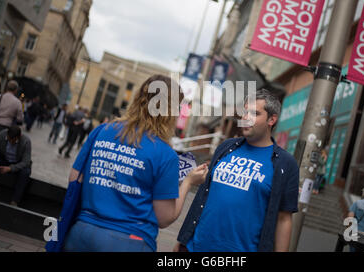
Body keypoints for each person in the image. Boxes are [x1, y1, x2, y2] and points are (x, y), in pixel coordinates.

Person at [62, 75, 208, 252]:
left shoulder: (102, 131)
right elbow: (164, 217)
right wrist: (188, 183)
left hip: (82, 232)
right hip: (129, 241)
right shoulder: (165, 153)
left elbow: (75, 177)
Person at [174, 89, 299, 252]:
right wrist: (183, 239)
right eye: (245, 112)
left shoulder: (285, 164)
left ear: (272, 119)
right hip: (194, 247)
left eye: (254, 113)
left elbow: (284, 219)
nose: (246, 118)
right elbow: (203, 196)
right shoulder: (226, 147)